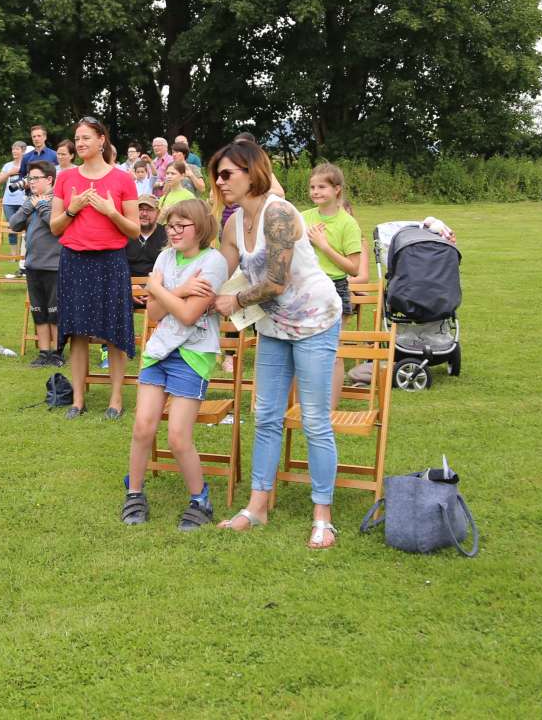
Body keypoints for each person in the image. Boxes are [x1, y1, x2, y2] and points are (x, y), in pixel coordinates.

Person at [209, 139, 342, 547]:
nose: (219, 180)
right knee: (265, 415)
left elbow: (276, 281)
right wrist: (177, 291)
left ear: (253, 172)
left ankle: (323, 515)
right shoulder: (233, 224)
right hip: (273, 325)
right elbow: (219, 272)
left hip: (315, 320)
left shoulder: (279, 213)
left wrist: (233, 301)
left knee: (315, 419)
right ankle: (257, 506)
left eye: (227, 173)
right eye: (217, 174)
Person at [122, 199, 229, 529]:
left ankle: (200, 499)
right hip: (160, 350)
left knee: (178, 437)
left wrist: (157, 287)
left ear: (201, 228)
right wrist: (179, 289)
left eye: (182, 225)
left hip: (193, 353)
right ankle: (134, 493)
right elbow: (154, 314)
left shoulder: (213, 262)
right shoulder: (164, 257)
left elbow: (186, 314)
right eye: (171, 226)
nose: (174, 231)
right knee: (142, 427)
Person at [51, 116, 140, 419]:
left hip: (110, 262)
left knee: (114, 331)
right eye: (77, 139)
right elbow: (55, 227)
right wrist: (73, 209)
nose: (81, 143)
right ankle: (77, 399)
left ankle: (115, 399)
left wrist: (111, 212)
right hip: (74, 261)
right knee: (77, 331)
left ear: (102, 140)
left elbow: (133, 230)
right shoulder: (65, 178)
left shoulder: (122, 179)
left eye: (87, 137)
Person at [8, 160, 62, 367]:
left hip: (54, 265)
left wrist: (40, 206)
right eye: (29, 178)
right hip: (33, 265)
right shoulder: (30, 201)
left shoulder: (58, 201)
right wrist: (29, 206)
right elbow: (14, 224)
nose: (31, 182)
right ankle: (43, 352)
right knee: (38, 310)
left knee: (55, 311)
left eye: (35, 178)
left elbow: (56, 226)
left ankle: (57, 352)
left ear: (49, 179)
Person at [304, 162, 364, 317]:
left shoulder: (348, 224)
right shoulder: (302, 217)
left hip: (336, 287)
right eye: (312, 187)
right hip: (306, 286)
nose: (315, 192)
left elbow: (354, 269)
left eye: (322, 187)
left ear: (337, 189)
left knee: (330, 341)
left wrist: (324, 246)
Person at [125, 194, 167, 279]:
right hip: (129, 284)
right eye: (140, 209)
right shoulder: (126, 232)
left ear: (158, 213)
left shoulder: (166, 234)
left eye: (149, 210)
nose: (144, 213)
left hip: (158, 285)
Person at [0, 140, 28, 249]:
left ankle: (23, 254)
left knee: (25, 227)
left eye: (17, 149)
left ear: (23, 151)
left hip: (23, 201)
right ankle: (13, 255)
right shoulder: (7, 166)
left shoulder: (27, 165)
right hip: (8, 202)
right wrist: (9, 173)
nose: (14, 151)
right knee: (12, 227)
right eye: (13, 149)